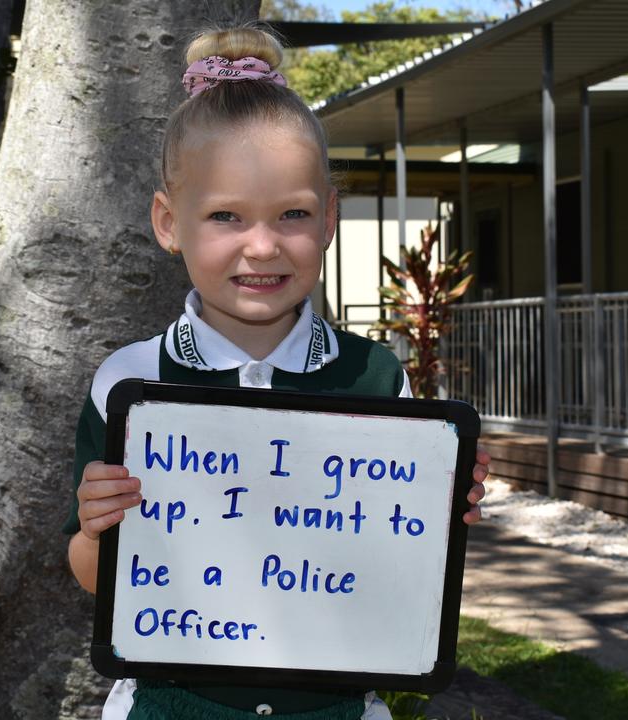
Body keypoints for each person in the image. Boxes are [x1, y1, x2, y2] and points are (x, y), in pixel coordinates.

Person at [63, 24, 490, 720]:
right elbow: (92, 578)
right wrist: (94, 529)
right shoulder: (129, 381)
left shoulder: (377, 379)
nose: (261, 246)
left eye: (291, 214)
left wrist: (441, 514)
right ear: (170, 223)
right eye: (226, 216)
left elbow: (404, 574)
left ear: (328, 219)